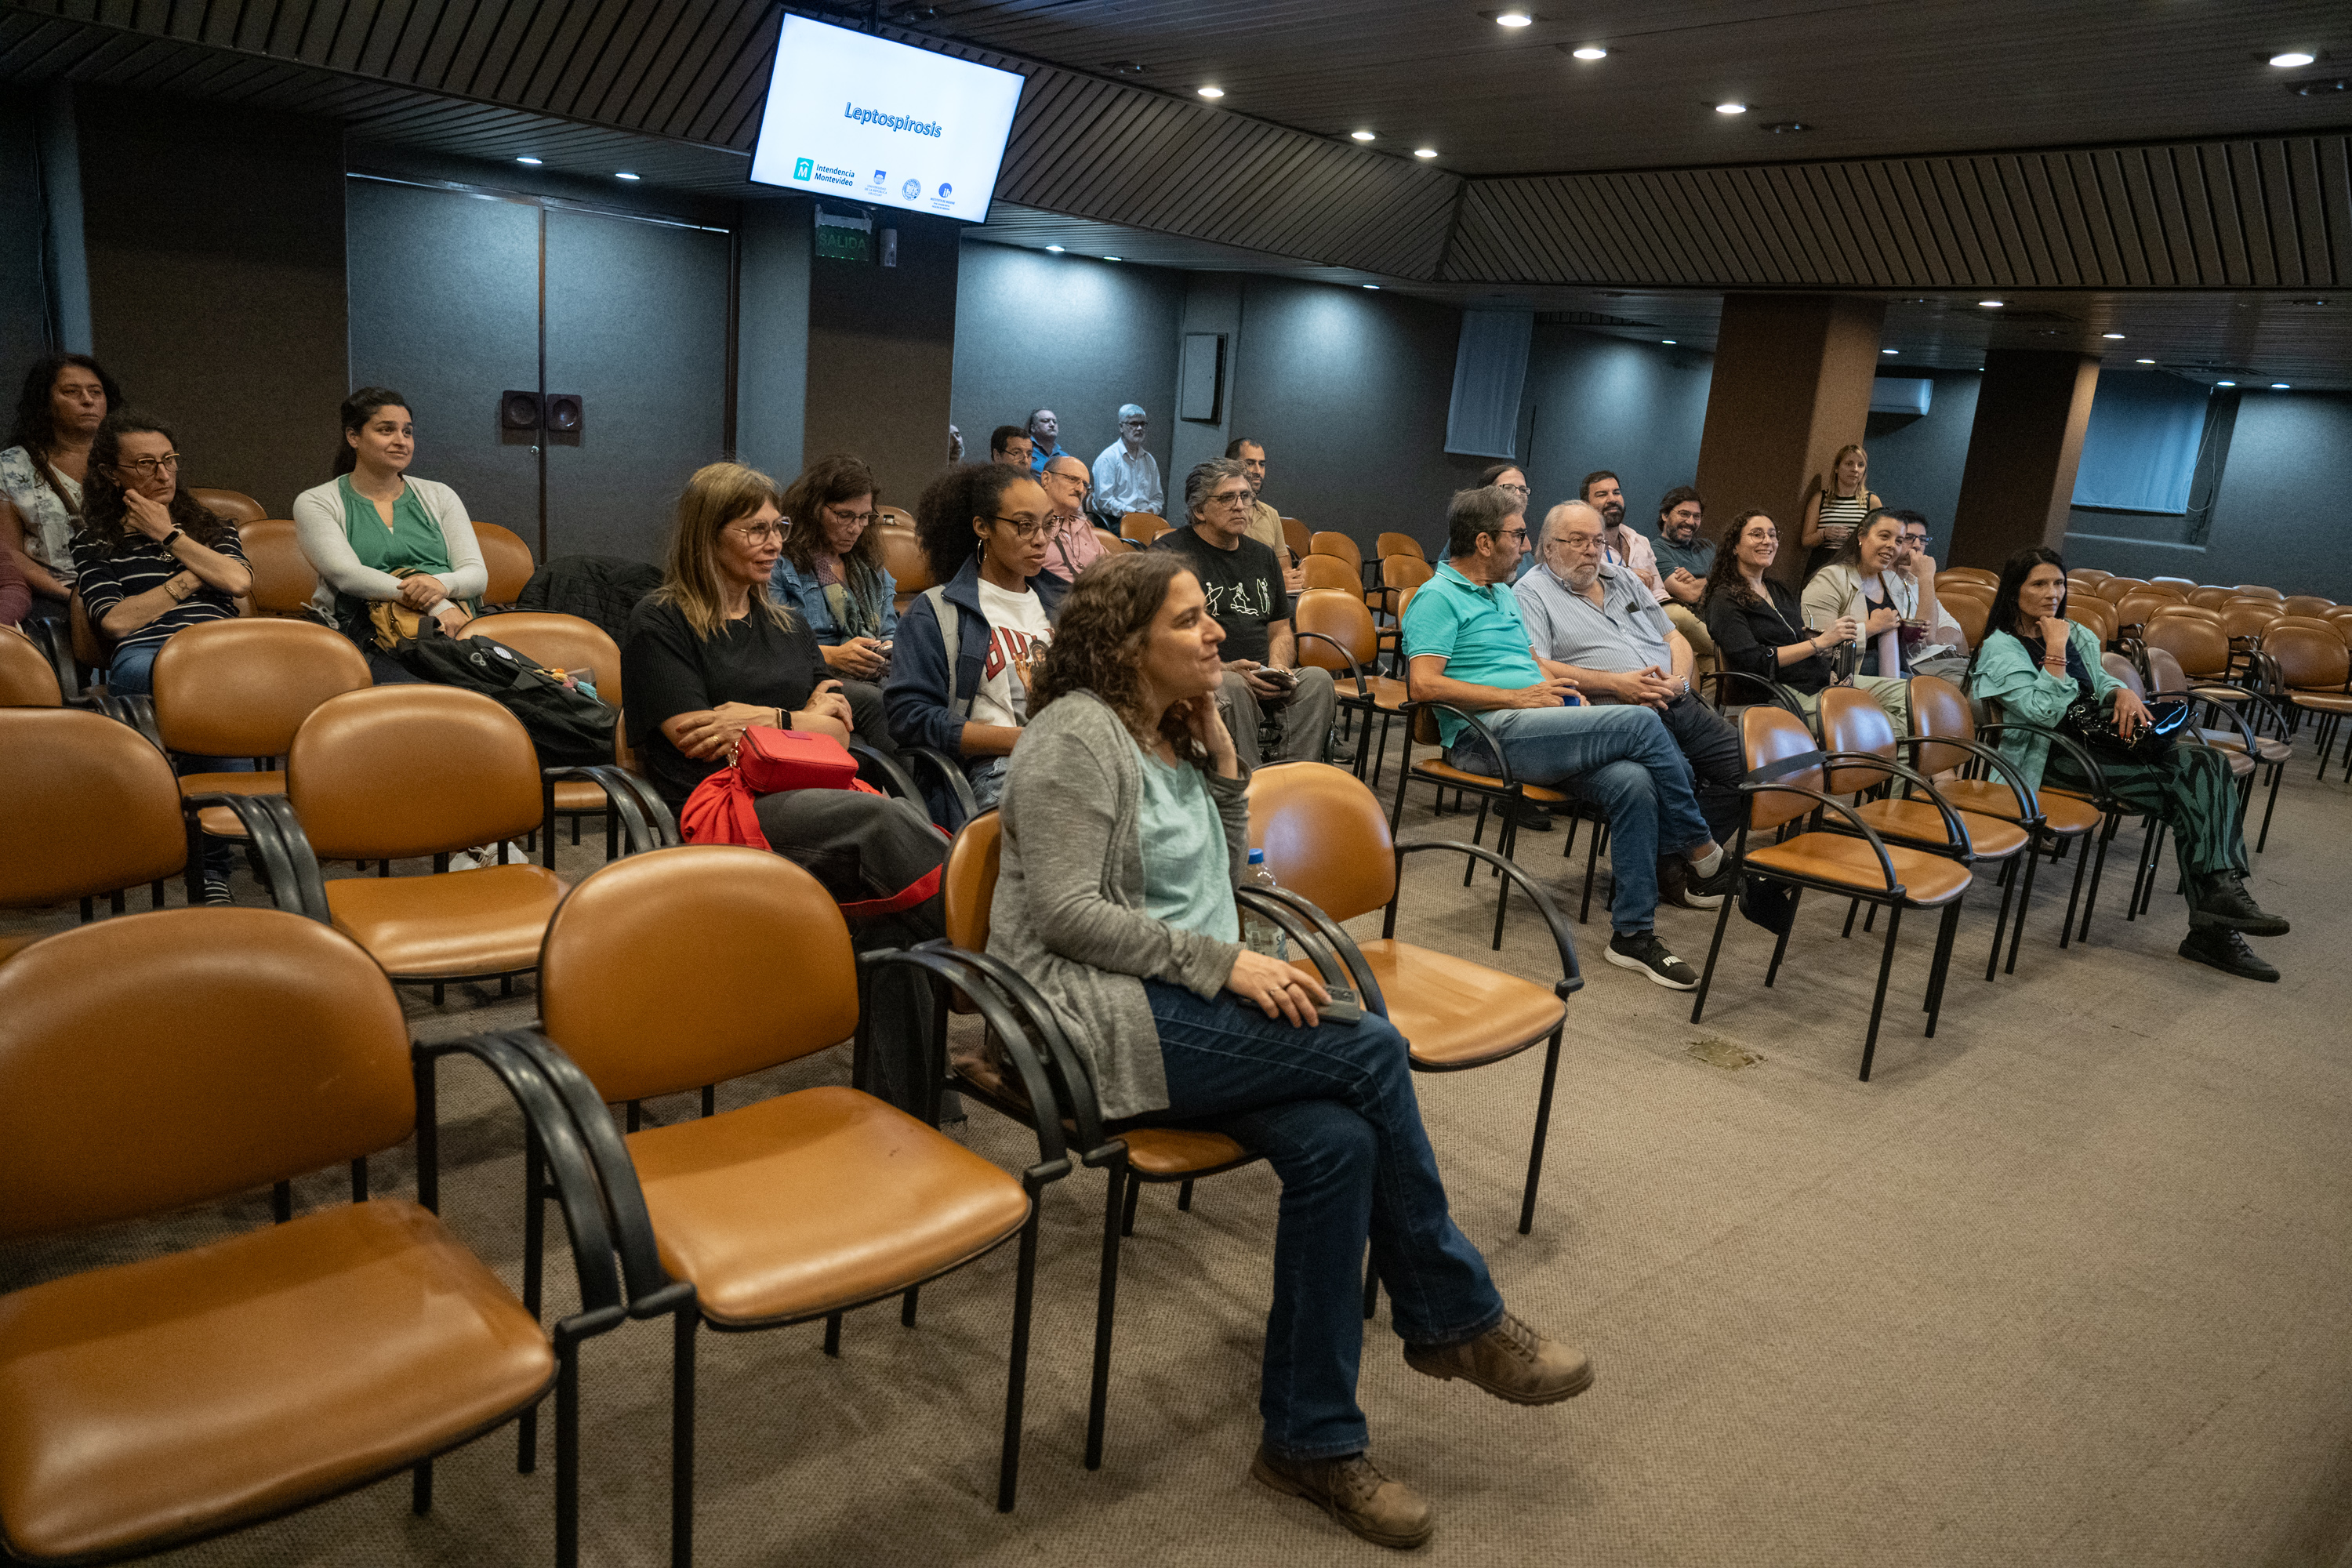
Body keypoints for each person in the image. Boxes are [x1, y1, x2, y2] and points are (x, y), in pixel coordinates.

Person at [990, 549, 1592, 1548]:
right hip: (1090, 1015)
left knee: (1340, 1144)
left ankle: (1308, 1441)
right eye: (1187, 621)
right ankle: (1453, 1314)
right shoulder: (1073, 737)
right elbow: (1064, 915)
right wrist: (1223, 969)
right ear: (1124, 642)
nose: (1214, 631)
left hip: (1173, 999)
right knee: (1369, 1051)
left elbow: (1219, 889)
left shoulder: (1172, 732)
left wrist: (1227, 770)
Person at [622, 462, 942, 1109]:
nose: (774, 542)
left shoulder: (786, 622)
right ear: (708, 536)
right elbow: (694, 737)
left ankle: (910, 1111)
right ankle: (995, 948)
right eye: (756, 530)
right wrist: (803, 722)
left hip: (803, 796)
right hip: (719, 807)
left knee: (893, 920)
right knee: (884, 822)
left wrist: (761, 719)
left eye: (779, 527)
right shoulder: (662, 621)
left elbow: (841, 735)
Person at [1401, 485, 1742, 989]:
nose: (1525, 544)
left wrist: (1559, 689)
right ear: (1484, 542)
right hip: (1484, 738)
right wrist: (1518, 699)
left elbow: (1528, 661)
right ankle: (1704, 853)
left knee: (1633, 782)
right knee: (1642, 721)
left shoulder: (1499, 593)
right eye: (1518, 534)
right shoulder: (1438, 597)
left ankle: (1632, 934)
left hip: (1535, 722)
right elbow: (1423, 684)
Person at [1968, 547, 2287, 982]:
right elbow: (2041, 713)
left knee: (2207, 764)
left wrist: (2123, 691)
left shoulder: (2075, 631)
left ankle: (2220, 902)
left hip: (2102, 742)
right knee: (2190, 789)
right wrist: (2055, 650)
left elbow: (2101, 682)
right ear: (2014, 591)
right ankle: (2217, 918)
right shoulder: (2000, 647)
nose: (2051, 593)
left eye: (2058, 583)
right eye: (2038, 584)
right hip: (2052, 756)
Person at [70, 412, 255, 903]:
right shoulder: (95, 540)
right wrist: (192, 577)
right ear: (113, 474)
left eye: (170, 461)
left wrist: (171, 538)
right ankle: (226, 852)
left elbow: (238, 582)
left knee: (216, 683)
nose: (163, 474)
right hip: (147, 654)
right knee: (202, 691)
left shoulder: (212, 528)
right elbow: (114, 621)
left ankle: (218, 852)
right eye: (147, 464)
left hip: (220, 652)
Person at [1515, 502, 1744, 852]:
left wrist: (1679, 681)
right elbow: (1542, 665)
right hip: (1622, 713)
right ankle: (1684, 864)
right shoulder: (1531, 592)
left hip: (1676, 698)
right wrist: (1617, 683)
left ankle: (1672, 861)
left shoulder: (1622, 578)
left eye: (1597, 541)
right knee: (1681, 776)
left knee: (1746, 769)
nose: (1591, 550)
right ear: (1548, 547)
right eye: (1577, 541)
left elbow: (1673, 637)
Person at [884, 463, 1068, 821]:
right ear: (982, 526)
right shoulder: (936, 611)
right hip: (995, 770)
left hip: (1072, 759)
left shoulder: (1068, 602)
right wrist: (1021, 740)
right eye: (1024, 525)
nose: (1041, 539)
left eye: (1049, 524)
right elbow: (911, 716)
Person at [292, 387, 487, 685]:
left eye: (407, 432)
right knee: (433, 699)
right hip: (366, 635)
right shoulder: (317, 501)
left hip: (454, 630)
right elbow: (349, 576)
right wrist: (436, 604)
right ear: (353, 437)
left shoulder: (439, 495)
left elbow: (476, 574)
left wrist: (439, 584)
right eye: (386, 430)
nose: (401, 441)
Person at [1152, 459, 1338, 770]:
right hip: (1208, 679)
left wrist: (1278, 668)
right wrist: (1225, 669)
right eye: (1227, 498)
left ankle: (1292, 786)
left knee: (1318, 681)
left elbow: (1280, 629)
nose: (1240, 506)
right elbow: (1161, 641)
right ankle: (1249, 794)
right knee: (1234, 687)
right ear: (1199, 510)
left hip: (1264, 676)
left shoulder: (1263, 556)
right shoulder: (1169, 556)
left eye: (1246, 496)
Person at [1700, 510, 1908, 724]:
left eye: (1772, 535)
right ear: (1734, 546)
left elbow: (1798, 636)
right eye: (1757, 534)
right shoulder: (1724, 600)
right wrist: (1819, 643)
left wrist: (1824, 639)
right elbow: (1755, 662)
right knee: (1876, 725)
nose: (1768, 541)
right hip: (1777, 693)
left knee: (1911, 696)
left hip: (1820, 679)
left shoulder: (1776, 589)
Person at [1, 354, 122, 625]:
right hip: (55, 595)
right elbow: (9, 555)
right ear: (45, 402)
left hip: (132, 585)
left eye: (95, 392)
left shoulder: (131, 457)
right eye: (71, 391)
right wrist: (71, 597)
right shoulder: (10, 466)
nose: (88, 400)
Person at [770, 455, 895, 681]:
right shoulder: (778, 563)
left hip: (872, 679)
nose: (856, 528)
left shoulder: (870, 568)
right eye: (845, 516)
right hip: (810, 679)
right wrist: (834, 656)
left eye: (864, 517)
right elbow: (773, 647)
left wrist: (887, 649)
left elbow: (890, 633)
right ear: (814, 508)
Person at [1798, 506, 1926, 725]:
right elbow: (1818, 648)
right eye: (1884, 536)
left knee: (1935, 699)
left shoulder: (1890, 580)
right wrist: (1871, 627)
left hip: (1888, 673)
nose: (1891, 546)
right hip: (1840, 679)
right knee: (1918, 711)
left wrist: (1907, 635)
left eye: (1898, 541)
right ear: (1862, 537)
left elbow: (1889, 635)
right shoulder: (1830, 579)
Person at [1649, 485, 1719, 671]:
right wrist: (1717, 578)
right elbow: (1688, 594)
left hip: (1722, 617)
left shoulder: (1708, 546)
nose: (1691, 521)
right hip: (1696, 626)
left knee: (1715, 667)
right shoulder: (1656, 550)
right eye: (1684, 514)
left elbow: (1739, 577)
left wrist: (1701, 580)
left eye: (1696, 516)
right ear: (1665, 515)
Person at [1889, 510, 1969, 659]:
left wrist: (1933, 641)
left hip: (1945, 660)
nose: (1918, 546)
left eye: (1923, 539)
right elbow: (1925, 638)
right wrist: (1926, 578)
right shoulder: (1882, 584)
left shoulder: (1916, 582)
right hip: (1915, 669)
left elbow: (1956, 630)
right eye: (1909, 538)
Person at [1229, 436, 1303, 594]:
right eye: (1249, 464)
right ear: (1230, 466)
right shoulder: (1222, 511)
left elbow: (1285, 572)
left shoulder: (1271, 514)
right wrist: (1273, 582)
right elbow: (1224, 570)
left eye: (1262, 465)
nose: (1258, 471)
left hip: (1267, 599)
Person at [1582, 470, 1664, 601]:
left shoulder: (1641, 542)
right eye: (1602, 494)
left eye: (1616, 493)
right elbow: (1584, 593)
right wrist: (1626, 578)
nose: (1613, 499)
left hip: (1649, 614)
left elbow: (1658, 592)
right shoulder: (1581, 547)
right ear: (1586, 505)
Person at [1800, 442, 1879, 579]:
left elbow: (1880, 539)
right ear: (1837, 468)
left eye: (1861, 465)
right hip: (1823, 564)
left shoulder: (1871, 501)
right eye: (1849, 464)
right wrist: (1824, 534)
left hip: (1855, 565)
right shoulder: (1820, 498)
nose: (1855, 469)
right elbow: (1806, 541)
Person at [1036, 452, 1107, 584]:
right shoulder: (1030, 526)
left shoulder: (1082, 525)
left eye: (1085, 485)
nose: (1080, 490)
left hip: (1097, 596)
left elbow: (1110, 565)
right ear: (1046, 480)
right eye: (1072, 479)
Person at [1091, 404, 1163, 521]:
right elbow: (1104, 500)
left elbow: (1158, 498)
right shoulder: (1108, 458)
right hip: (1116, 520)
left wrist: (1150, 510)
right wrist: (1133, 513)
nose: (1139, 428)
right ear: (1121, 427)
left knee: (1166, 537)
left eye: (1143, 424)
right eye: (1134, 424)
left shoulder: (1149, 460)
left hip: (1145, 519)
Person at [1024, 408, 1066, 476]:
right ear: (1033, 428)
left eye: (1054, 422)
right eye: (1046, 421)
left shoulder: (1065, 458)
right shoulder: (1023, 451)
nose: (1052, 425)